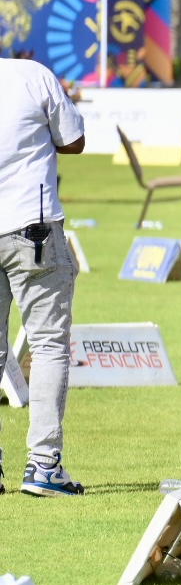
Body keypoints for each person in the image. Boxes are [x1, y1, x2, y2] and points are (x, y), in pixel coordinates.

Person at [0, 56, 86, 497]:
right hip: (30, 227)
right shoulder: (32, 75)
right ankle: (44, 465)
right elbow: (74, 140)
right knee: (49, 345)